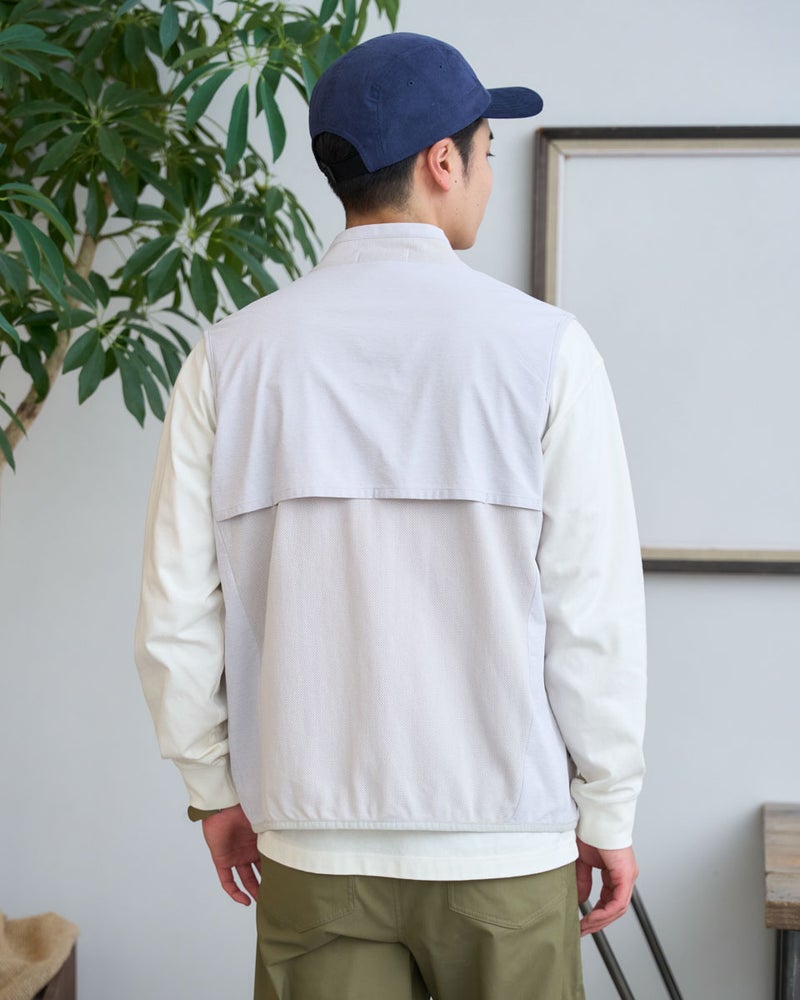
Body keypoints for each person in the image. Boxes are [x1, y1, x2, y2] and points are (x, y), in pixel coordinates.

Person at [135, 31, 646, 1000]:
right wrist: (607, 807)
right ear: (441, 161)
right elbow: (593, 612)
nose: (488, 173)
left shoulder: (228, 360)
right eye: (487, 150)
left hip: (310, 842)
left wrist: (211, 788)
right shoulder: (545, 352)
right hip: (504, 843)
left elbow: (173, 615)